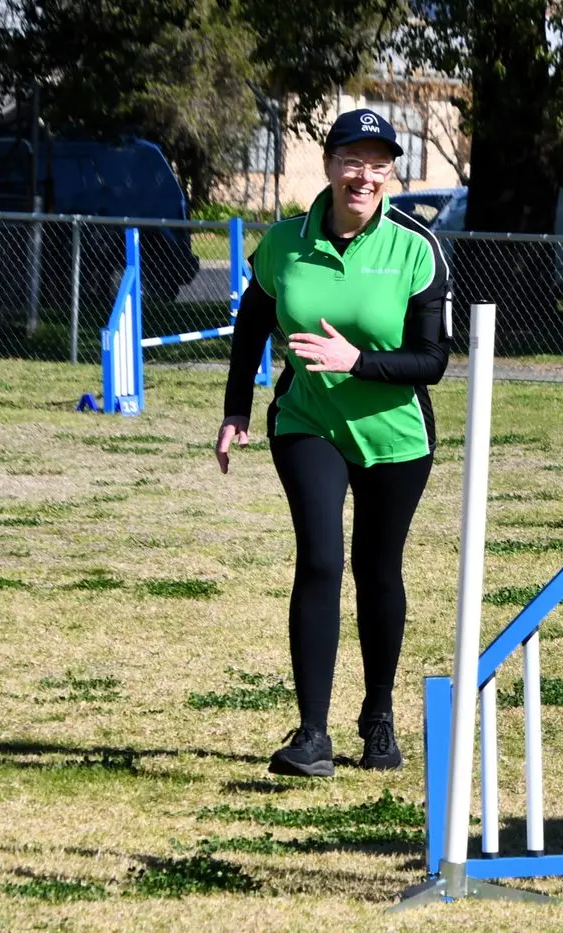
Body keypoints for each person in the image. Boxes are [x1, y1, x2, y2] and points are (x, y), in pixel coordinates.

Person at [215, 108, 451, 777]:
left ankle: (377, 715)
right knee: (319, 557)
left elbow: (431, 360)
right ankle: (312, 732)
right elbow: (252, 324)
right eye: (353, 159)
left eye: (379, 163)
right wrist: (235, 408)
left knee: (378, 569)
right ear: (327, 164)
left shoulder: (416, 248)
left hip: (395, 432)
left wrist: (356, 360)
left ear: (390, 174)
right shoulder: (284, 243)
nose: (364, 174)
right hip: (307, 420)